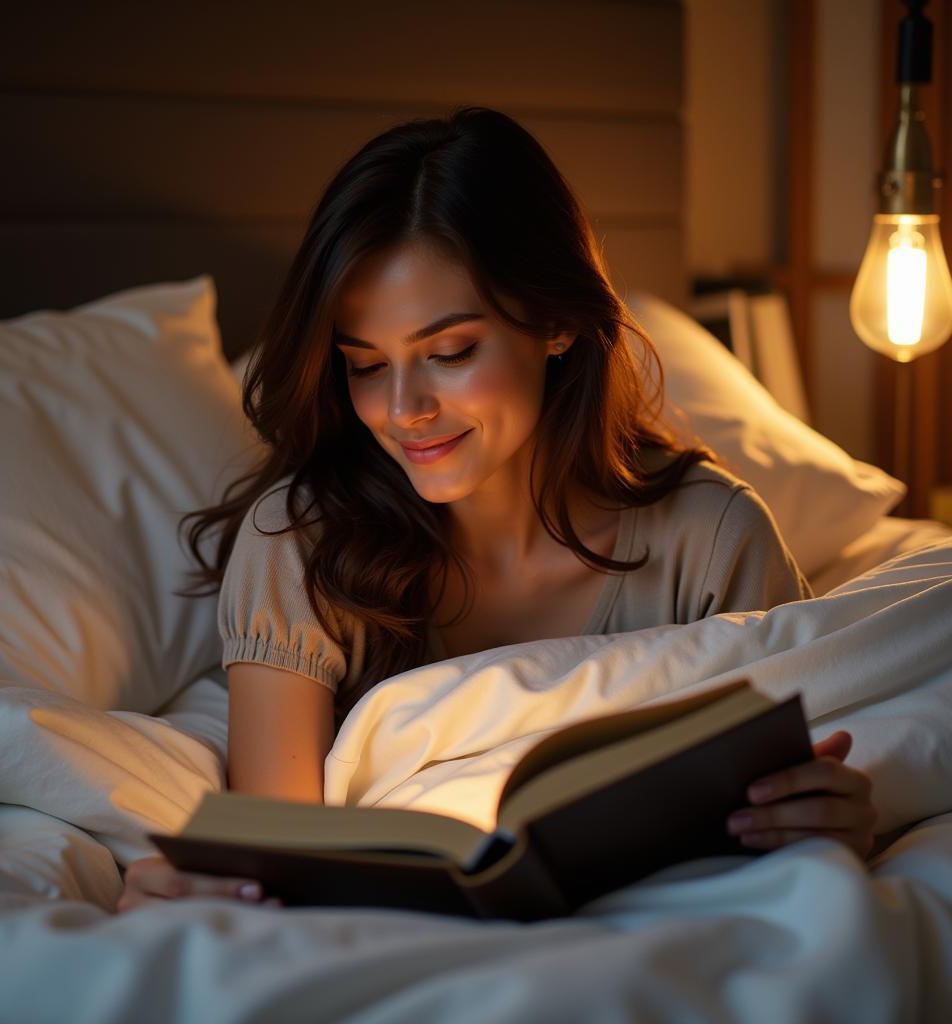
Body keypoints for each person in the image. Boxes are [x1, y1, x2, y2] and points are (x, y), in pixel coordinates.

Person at [116, 107, 877, 913]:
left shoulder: (713, 539)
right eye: (367, 366)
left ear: (555, 322)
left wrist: (838, 819)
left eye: (450, 354)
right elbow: (273, 862)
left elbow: (794, 790)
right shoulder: (303, 544)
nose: (403, 409)